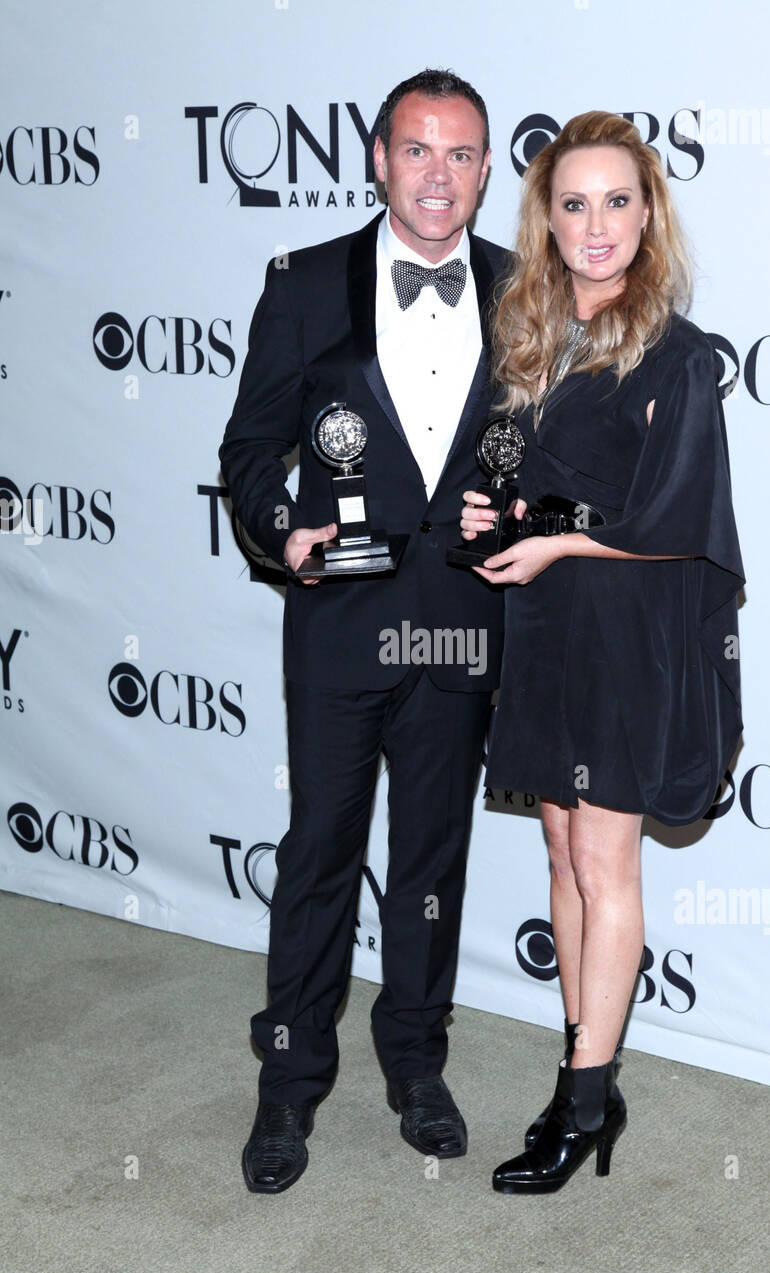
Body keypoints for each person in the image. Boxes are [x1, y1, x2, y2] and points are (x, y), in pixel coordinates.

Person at [219, 69, 508, 1194]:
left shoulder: (520, 288)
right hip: (340, 623)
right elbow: (248, 449)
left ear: (486, 172)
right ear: (378, 159)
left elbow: (541, 458)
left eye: (462, 154)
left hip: (456, 627)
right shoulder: (301, 284)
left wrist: (520, 517)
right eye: (417, 150)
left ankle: (416, 1064)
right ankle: (287, 1086)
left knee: (431, 858)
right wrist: (276, 530)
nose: (437, 175)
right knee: (318, 857)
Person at [459, 112, 745, 1194]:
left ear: (647, 214)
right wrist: (492, 514)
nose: (595, 224)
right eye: (573, 203)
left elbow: (677, 511)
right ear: (544, 218)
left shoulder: (673, 353)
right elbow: (497, 447)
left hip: (621, 628)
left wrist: (558, 539)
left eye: (616, 201)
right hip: (542, 627)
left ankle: (582, 1098)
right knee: (557, 857)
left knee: (600, 862)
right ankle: (586, 1059)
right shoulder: (526, 330)